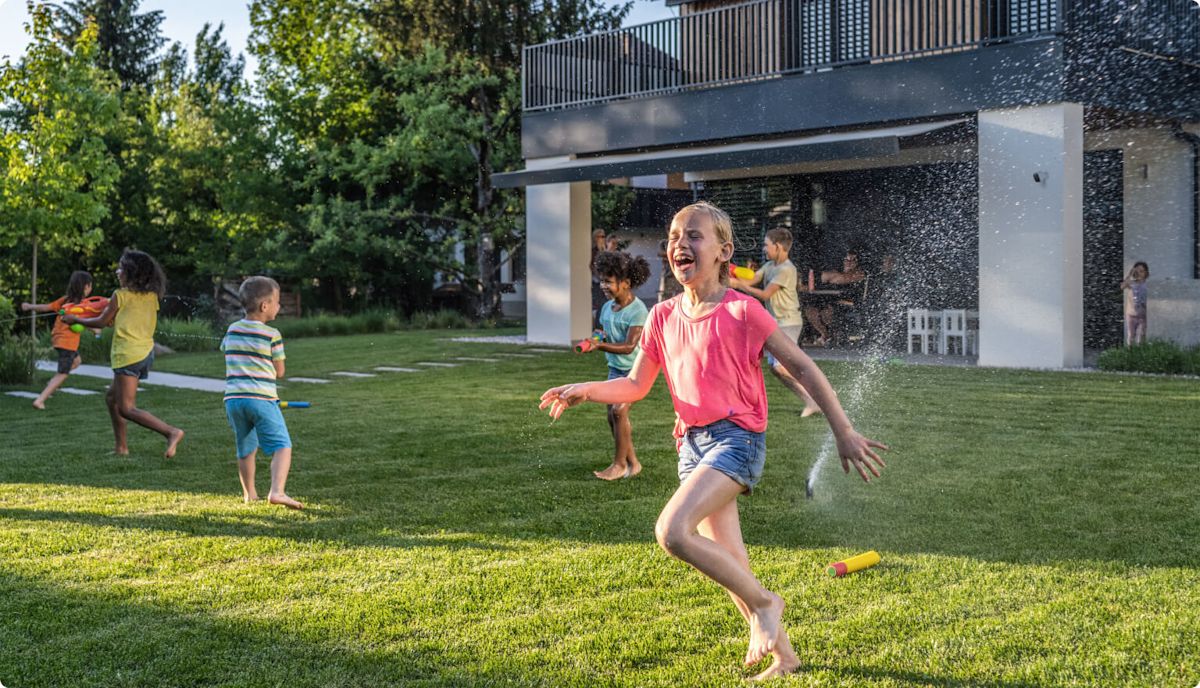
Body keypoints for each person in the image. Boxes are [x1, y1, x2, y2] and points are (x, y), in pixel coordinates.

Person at [540, 201, 887, 680]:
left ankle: (767, 603)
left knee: (671, 532)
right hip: (691, 446)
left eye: (694, 235)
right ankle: (785, 657)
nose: (680, 244)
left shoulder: (743, 311)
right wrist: (586, 389)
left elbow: (804, 367)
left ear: (724, 251)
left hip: (736, 440)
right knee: (730, 564)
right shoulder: (662, 316)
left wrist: (843, 430)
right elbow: (636, 386)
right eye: (674, 236)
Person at [63, 250, 185, 458]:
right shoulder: (151, 296)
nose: (117, 272)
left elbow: (101, 322)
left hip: (128, 354)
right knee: (112, 398)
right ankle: (121, 448)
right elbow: (129, 318)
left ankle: (171, 432)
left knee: (126, 408)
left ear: (131, 273)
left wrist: (75, 320)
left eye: (121, 268)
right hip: (145, 353)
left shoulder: (120, 296)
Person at [220, 276, 302, 509]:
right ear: (265, 306)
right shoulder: (272, 334)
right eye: (277, 301)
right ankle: (277, 492)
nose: (279, 306)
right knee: (282, 446)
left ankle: (250, 494)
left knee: (245, 449)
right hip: (261, 399)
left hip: (234, 400)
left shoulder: (232, 329)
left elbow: (226, 350)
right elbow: (280, 371)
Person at [730, 228, 822, 418]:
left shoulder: (787, 269)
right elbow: (753, 278)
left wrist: (738, 285)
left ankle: (822, 393)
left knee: (782, 366)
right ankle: (813, 400)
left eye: (766, 245)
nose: (764, 248)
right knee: (778, 368)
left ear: (778, 246)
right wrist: (730, 269)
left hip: (788, 322)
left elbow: (765, 294)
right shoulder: (770, 265)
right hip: (776, 322)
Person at [587, 250, 651, 480]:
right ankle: (633, 462)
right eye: (602, 280)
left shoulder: (638, 311)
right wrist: (594, 340)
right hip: (615, 370)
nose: (603, 285)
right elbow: (600, 332)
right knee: (612, 416)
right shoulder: (606, 307)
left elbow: (629, 346)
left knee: (618, 410)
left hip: (635, 372)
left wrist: (599, 346)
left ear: (625, 283)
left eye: (609, 281)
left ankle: (619, 465)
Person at [19, 271, 97, 409]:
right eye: (90, 285)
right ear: (86, 286)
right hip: (67, 342)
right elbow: (83, 321)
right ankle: (40, 400)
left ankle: (52, 383)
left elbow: (46, 307)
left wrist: (29, 306)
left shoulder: (65, 300)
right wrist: (95, 329)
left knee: (77, 361)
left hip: (58, 339)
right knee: (63, 373)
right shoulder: (82, 305)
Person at [804, 249, 867, 346]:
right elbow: (823, 279)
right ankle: (825, 334)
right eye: (847, 260)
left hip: (848, 302)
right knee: (810, 311)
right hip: (829, 299)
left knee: (827, 312)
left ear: (857, 263)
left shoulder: (859, 274)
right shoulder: (836, 272)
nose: (849, 263)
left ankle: (835, 335)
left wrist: (831, 277)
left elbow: (842, 279)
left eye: (853, 260)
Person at [1120, 261, 1149, 346]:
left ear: (1146, 273)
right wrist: (1130, 275)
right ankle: (1130, 351)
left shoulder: (1145, 284)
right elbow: (1122, 286)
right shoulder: (1132, 283)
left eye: (1141, 271)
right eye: (1137, 271)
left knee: (1142, 335)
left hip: (1142, 315)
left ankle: (1141, 351)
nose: (1139, 273)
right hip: (1131, 314)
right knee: (1131, 336)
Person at [657, 238, 683, 303]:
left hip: (677, 271)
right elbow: (659, 253)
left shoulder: (679, 241)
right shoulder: (663, 242)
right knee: (664, 293)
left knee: (678, 292)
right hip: (667, 272)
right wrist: (672, 254)